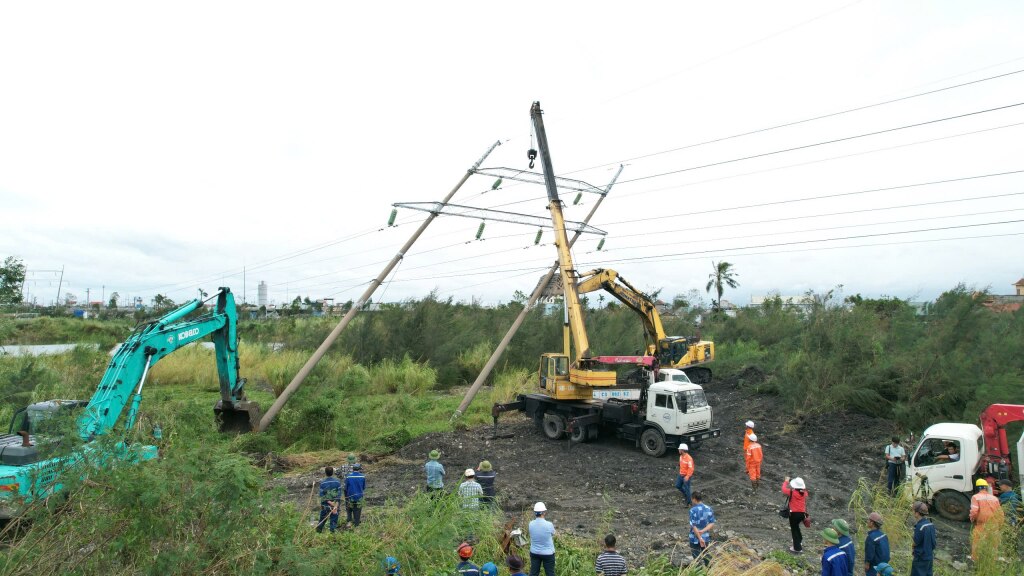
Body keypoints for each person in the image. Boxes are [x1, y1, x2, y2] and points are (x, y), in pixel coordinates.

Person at [968, 477, 1003, 561]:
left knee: (977, 540)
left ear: (977, 488)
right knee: (993, 541)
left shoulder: (975, 497)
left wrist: (972, 519)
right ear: (986, 487)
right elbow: (1000, 513)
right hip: (994, 523)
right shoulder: (994, 498)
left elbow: (974, 511)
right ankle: (993, 557)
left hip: (982, 523)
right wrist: (1000, 524)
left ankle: (975, 558)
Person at [688, 491, 716, 567]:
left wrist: (699, 537)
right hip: (705, 536)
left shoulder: (693, 510)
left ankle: (699, 572)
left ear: (694, 499)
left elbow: (694, 526)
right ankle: (710, 571)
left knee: (696, 557)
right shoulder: (708, 508)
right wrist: (703, 531)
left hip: (694, 537)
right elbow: (712, 523)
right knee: (706, 554)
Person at [782, 476, 808, 553]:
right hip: (802, 514)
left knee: (794, 530)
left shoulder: (792, 492)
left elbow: (783, 489)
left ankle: (797, 548)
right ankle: (799, 541)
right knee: (797, 528)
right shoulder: (804, 493)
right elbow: (802, 490)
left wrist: (786, 481)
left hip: (794, 514)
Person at [529, 502, 556, 576]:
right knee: (550, 573)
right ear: (544, 513)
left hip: (534, 552)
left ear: (535, 513)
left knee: (533, 573)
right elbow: (554, 533)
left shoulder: (531, 524)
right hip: (548, 553)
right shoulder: (549, 524)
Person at [910, 501, 936, 576]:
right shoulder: (931, 524)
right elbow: (933, 542)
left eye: (913, 510)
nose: (912, 512)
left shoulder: (919, 526)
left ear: (917, 513)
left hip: (920, 558)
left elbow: (915, 542)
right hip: (929, 556)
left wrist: (913, 548)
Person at [316, 466, 342, 533]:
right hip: (335, 505)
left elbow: (322, 495)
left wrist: (329, 502)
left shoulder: (323, 483)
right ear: (333, 473)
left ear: (325, 473)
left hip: (325, 505)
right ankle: (332, 534)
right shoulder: (337, 482)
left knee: (322, 519)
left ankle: (318, 532)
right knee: (334, 520)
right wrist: (335, 505)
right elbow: (339, 495)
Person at [863, 512, 890, 576]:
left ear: (872, 523)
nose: (867, 521)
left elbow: (869, 553)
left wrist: (867, 564)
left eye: (868, 520)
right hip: (884, 565)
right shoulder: (884, 535)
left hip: (874, 567)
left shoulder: (871, 537)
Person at [344, 462, 366, 528]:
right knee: (358, 509)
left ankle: (349, 522)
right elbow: (363, 487)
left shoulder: (348, 476)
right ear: (359, 469)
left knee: (349, 508)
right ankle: (357, 523)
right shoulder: (362, 476)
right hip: (359, 496)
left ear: (353, 469)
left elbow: (345, 488)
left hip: (350, 496)